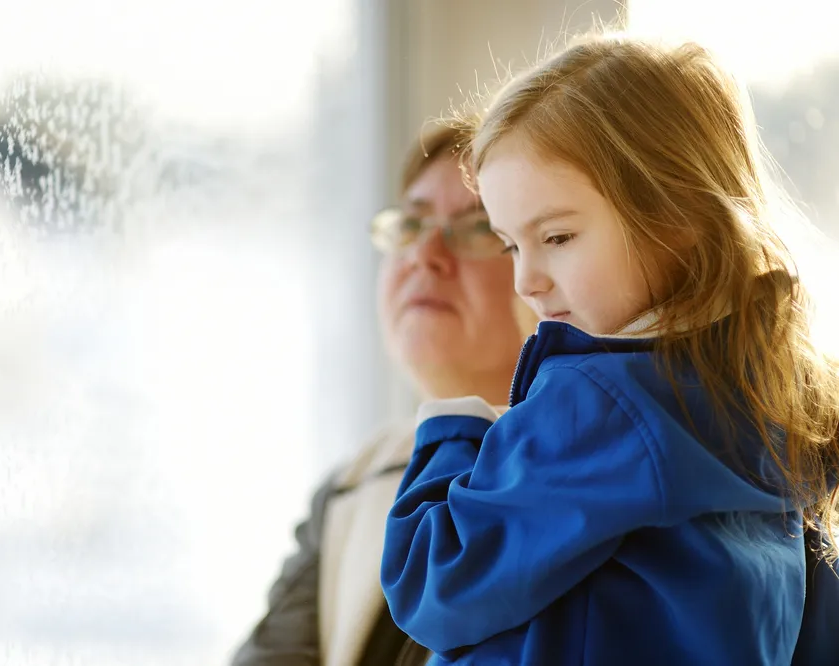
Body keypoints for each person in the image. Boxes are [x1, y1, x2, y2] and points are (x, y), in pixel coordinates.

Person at [380, 32, 839, 666]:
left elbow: (433, 583)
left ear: (677, 217)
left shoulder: (599, 402)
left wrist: (449, 434)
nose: (526, 280)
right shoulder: (778, 403)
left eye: (559, 236)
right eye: (512, 244)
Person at [230, 124, 538, 666]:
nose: (425, 254)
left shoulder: (588, 479)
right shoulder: (353, 487)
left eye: (477, 229)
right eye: (412, 223)